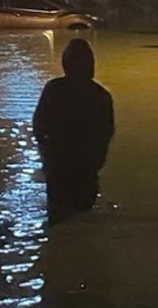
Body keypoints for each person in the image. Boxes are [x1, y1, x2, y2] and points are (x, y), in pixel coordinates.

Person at [33, 39, 115, 224]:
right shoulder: (100, 95)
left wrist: (46, 153)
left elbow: (39, 125)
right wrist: (97, 159)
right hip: (85, 166)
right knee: (84, 219)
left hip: (58, 165)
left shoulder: (53, 90)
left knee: (58, 218)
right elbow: (107, 131)